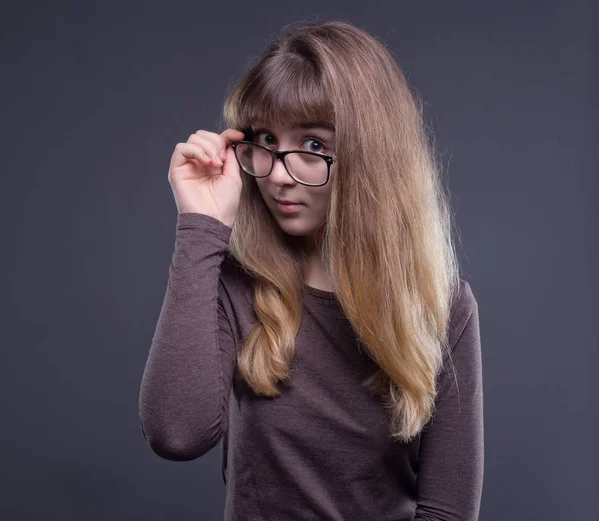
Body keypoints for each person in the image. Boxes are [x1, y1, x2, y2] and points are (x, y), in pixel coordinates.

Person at [139, 19, 484, 521]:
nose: (278, 174)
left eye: (315, 146)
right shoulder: (238, 285)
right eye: (262, 139)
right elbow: (176, 433)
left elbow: (447, 512)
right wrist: (199, 225)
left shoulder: (443, 306)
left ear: (370, 156)